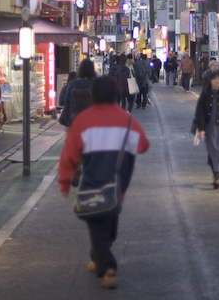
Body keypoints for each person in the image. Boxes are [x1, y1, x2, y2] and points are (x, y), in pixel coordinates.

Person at [58, 76, 150, 289]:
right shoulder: (126, 120)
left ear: (93, 94)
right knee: (108, 222)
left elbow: (69, 154)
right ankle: (101, 259)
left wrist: (64, 180)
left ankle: (107, 268)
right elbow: (143, 145)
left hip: (92, 180)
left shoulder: (83, 120)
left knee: (98, 223)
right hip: (118, 183)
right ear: (116, 94)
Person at [61, 60, 97, 127]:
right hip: (91, 120)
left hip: (74, 119)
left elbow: (66, 103)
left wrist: (69, 121)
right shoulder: (95, 84)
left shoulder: (72, 83)